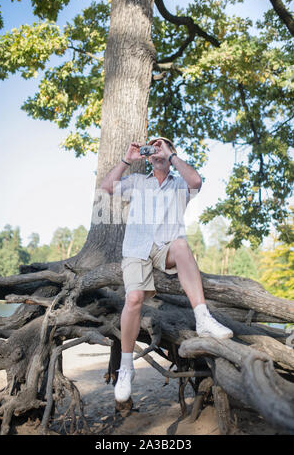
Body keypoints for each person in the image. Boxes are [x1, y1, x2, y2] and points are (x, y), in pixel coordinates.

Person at [100, 137, 233, 403]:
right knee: (134, 298)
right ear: (148, 156)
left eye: (162, 146)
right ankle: (126, 367)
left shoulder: (181, 183)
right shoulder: (138, 182)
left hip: (166, 248)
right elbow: (106, 187)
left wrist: (171, 156)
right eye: (153, 148)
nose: (157, 151)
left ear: (171, 152)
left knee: (182, 245)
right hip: (137, 249)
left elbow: (197, 182)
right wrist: (128, 159)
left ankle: (203, 318)